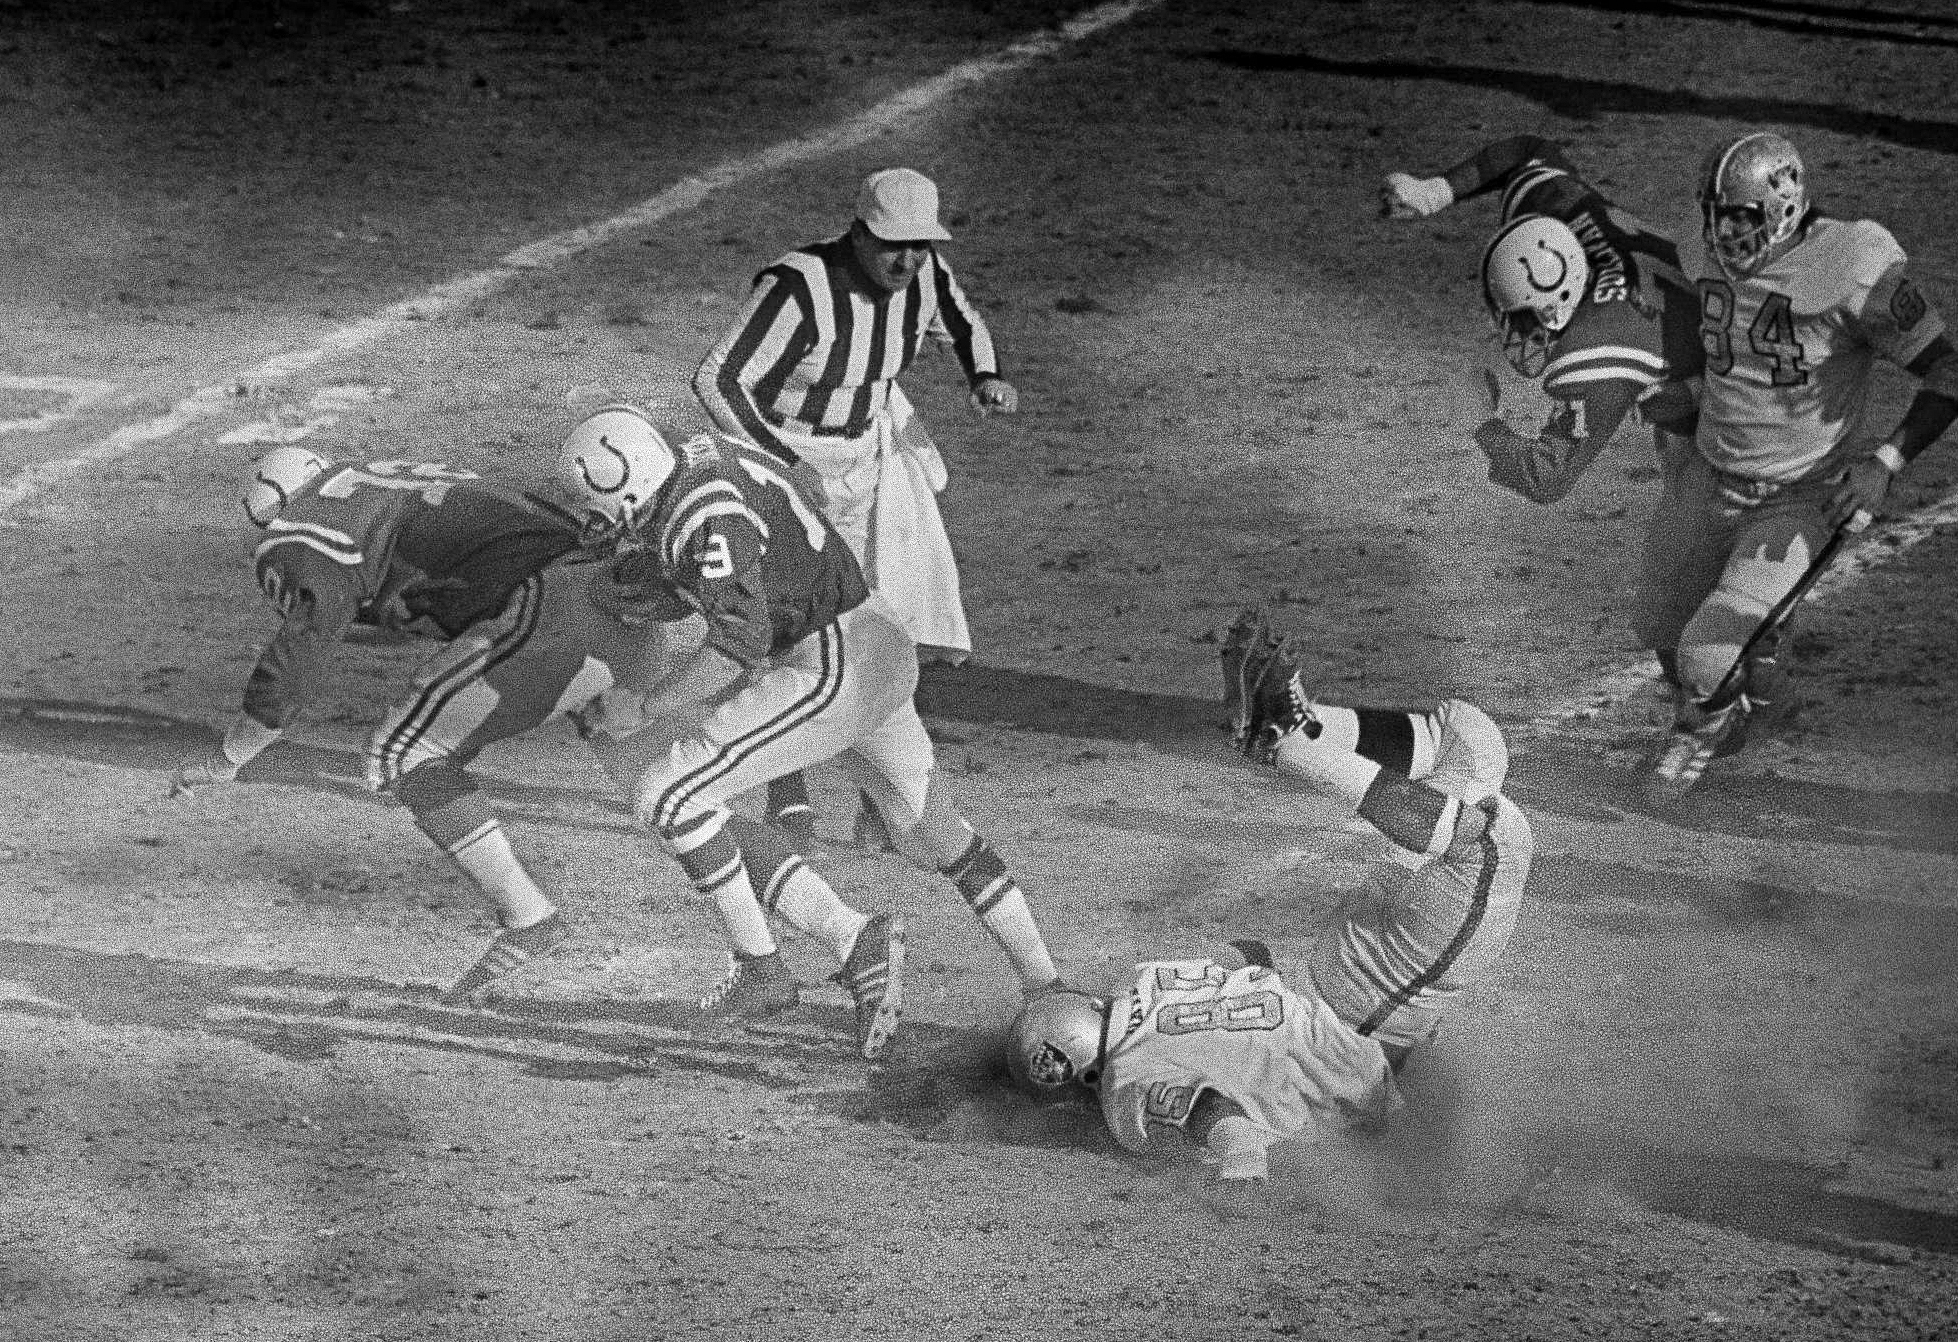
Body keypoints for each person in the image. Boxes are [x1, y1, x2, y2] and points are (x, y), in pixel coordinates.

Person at [558, 404, 1061, 1062]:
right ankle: (1046, 983)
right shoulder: (706, 455)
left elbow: (736, 645)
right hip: (877, 636)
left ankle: (766, 970)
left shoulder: (702, 517)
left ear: (625, 488)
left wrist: (644, 705)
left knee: (668, 796)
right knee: (931, 834)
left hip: (830, 664)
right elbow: (801, 494)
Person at [1004, 611, 1534, 1184]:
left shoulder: (1125, 1081)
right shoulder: (1145, 979)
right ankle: (1299, 733)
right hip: (1346, 988)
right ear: (1083, 1001)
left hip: (1358, 1009)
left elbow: (1209, 1111)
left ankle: (1292, 738)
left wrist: (1242, 1170)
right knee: (1472, 750)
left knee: (1488, 827)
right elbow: (1248, 955)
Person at [168, 449, 675, 1001]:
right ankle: (770, 907)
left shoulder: (299, 529)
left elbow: (308, 637)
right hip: (618, 593)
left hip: (553, 609)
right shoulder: (392, 476)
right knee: (679, 784)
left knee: (403, 755)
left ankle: (528, 915)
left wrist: (236, 750)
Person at [692, 166, 1017, 843]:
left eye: (919, 245)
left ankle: (883, 795)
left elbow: (963, 320)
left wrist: (984, 375)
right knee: (788, 627)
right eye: (892, 244)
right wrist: (784, 470)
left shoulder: (923, 276)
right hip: (783, 466)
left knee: (886, 625)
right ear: (859, 232)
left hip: (869, 460)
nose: (906, 260)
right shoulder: (799, 287)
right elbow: (719, 379)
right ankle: (787, 788)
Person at [1645, 130, 1958, 758]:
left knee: (1706, 655)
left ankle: (1716, 734)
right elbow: (1733, 353)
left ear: (1785, 209)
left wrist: (1886, 460)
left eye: (1741, 219)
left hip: (1800, 496)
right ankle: (1754, 670)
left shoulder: (1851, 263)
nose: (1724, 235)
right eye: (1715, 216)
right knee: (1655, 624)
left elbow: (1956, 373)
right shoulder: (1703, 251)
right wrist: (1688, 396)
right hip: (1710, 474)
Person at [1382, 134, 1703, 510]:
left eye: (1520, 318)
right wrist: (1436, 192)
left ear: (1555, 307)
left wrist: (1483, 424)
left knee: (1686, 537)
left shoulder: (1599, 345)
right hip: (1716, 327)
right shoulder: (1562, 213)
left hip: (1752, 406)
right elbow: (1525, 153)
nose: (1514, 331)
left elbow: (1545, 477)